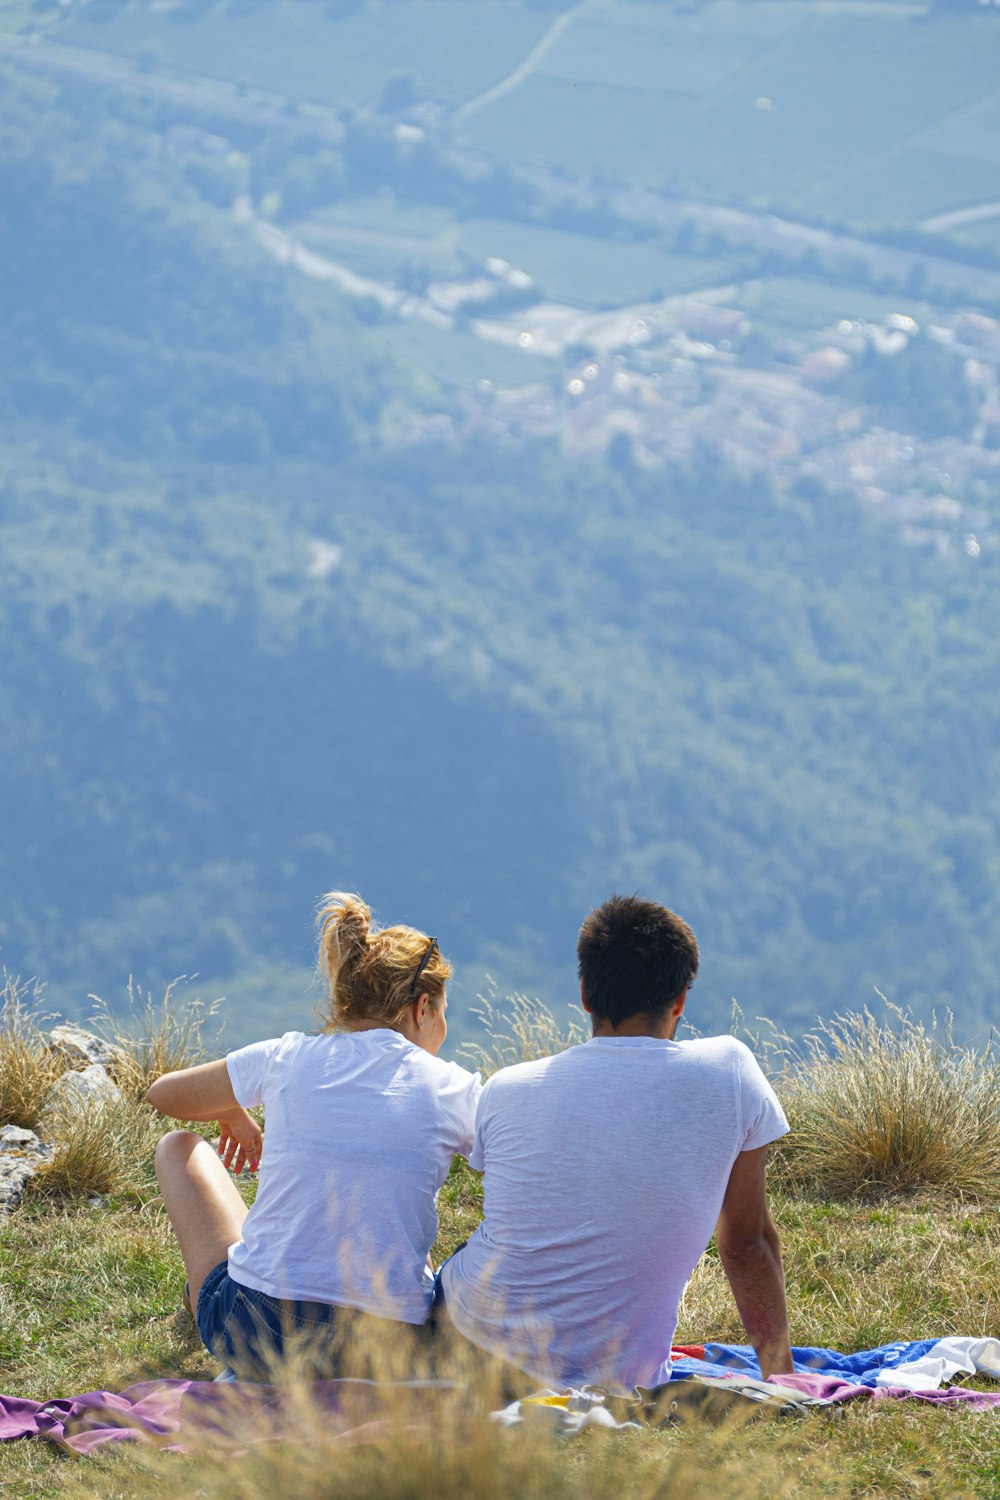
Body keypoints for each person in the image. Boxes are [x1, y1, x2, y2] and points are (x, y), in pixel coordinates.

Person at [438, 893, 793, 1394]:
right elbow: (746, 1242)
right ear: (679, 1001)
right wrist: (782, 1379)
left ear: (585, 993)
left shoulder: (507, 1088)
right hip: (624, 1377)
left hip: (474, 1355)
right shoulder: (730, 1072)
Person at [147, 892, 481, 1380]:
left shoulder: (287, 1056)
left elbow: (164, 1094)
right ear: (423, 1007)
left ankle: (204, 1293)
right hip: (387, 1353)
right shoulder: (453, 1087)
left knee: (176, 1146)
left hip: (258, 1336)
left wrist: (234, 1111)